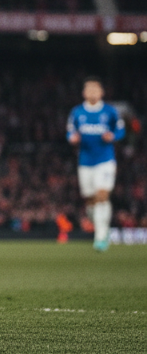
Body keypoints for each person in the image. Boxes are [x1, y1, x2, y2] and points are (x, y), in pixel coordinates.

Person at [67, 77, 124, 251]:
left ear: (101, 92)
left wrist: (113, 136)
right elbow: (70, 132)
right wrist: (72, 138)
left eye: (95, 89)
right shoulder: (77, 112)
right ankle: (99, 226)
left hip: (105, 160)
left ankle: (101, 236)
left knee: (102, 195)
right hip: (85, 161)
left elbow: (121, 129)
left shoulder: (110, 111)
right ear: (84, 93)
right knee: (90, 199)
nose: (92, 92)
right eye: (89, 89)